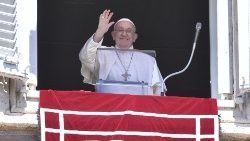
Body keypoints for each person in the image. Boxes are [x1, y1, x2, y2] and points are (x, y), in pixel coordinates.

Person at [79, 9, 165, 95]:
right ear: (113, 35)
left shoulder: (148, 60)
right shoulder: (103, 54)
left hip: (137, 106)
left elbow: (158, 89)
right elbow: (86, 57)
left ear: (134, 37)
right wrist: (99, 33)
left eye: (128, 31)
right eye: (120, 30)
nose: (124, 34)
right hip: (108, 106)